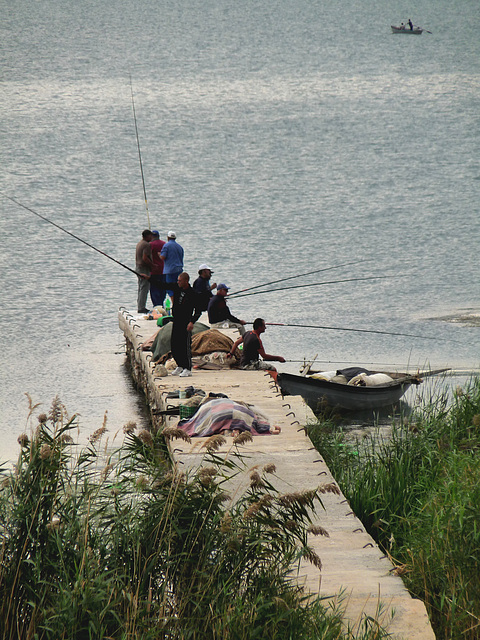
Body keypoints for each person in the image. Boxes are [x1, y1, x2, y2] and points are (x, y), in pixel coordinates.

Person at [170, 272, 201, 377]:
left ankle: (188, 368)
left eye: (180, 280)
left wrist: (192, 322)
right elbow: (162, 284)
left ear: (186, 281)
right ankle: (180, 365)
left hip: (186, 323)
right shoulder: (177, 288)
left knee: (184, 345)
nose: (178, 282)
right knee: (174, 345)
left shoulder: (192, 293)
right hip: (176, 321)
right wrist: (148, 278)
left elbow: (198, 311)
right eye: (177, 280)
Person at [135, 229, 154, 313]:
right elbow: (145, 258)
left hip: (138, 268)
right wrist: (152, 265)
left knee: (140, 287)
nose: (152, 237)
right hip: (144, 269)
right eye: (150, 235)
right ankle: (141, 307)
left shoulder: (139, 243)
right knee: (144, 288)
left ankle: (140, 305)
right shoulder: (146, 245)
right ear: (147, 236)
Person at [160, 231, 184, 298]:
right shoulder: (179, 247)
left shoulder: (166, 246)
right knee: (178, 287)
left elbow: (163, 257)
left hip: (170, 270)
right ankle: (179, 303)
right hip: (179, 270)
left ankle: (174, 304)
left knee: (170, 288)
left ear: (168, 237)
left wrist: (159, 255)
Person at [149, 230, 166, 307]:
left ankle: (157, 305)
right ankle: (161, 303)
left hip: (154, 271)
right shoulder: (164, 244)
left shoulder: (150, 245)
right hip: (163, 270)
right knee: (163, 288)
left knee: (154, 289)